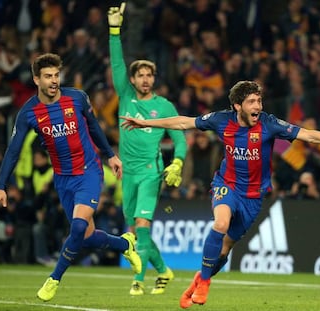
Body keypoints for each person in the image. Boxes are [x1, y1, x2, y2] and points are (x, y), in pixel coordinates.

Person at [120, 80, 320, 308]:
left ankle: (200, 278)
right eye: (252, 101)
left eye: (260, 100)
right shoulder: (221, 120)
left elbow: (311, 135)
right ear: (237, 105)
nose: (258, 106)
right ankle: (206, 282)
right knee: (220, 223)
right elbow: (183, 122)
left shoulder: (269, 124)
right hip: (227, 185)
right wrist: (145, 122)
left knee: (225, 248)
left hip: (254, 196)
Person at [0, 53, 142, 302]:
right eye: (48, 76)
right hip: (62, 178)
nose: (53, 81)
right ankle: (126, 245)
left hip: (89, 171)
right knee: (86, 236)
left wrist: (110, 156)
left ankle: (54, 279)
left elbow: (93, 127)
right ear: (36, 79)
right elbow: (14, 151)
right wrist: (1, 186)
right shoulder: (28, 112)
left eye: (56, 75)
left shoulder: (77, 97)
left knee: (78, 226)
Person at [108, 3, 187, 296]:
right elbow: (116, 64)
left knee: (141, 223)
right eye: (140, 75)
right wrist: (114, 32)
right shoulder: (126, 96)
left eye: (149, 75)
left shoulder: (164, 106)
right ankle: (164, 271)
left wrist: (177, 162)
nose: (145, 79)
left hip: (150, 172)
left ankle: (138, 280)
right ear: (132, 80)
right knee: (135, 231)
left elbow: (180, 137)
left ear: (153, 78)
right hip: (127, 173)